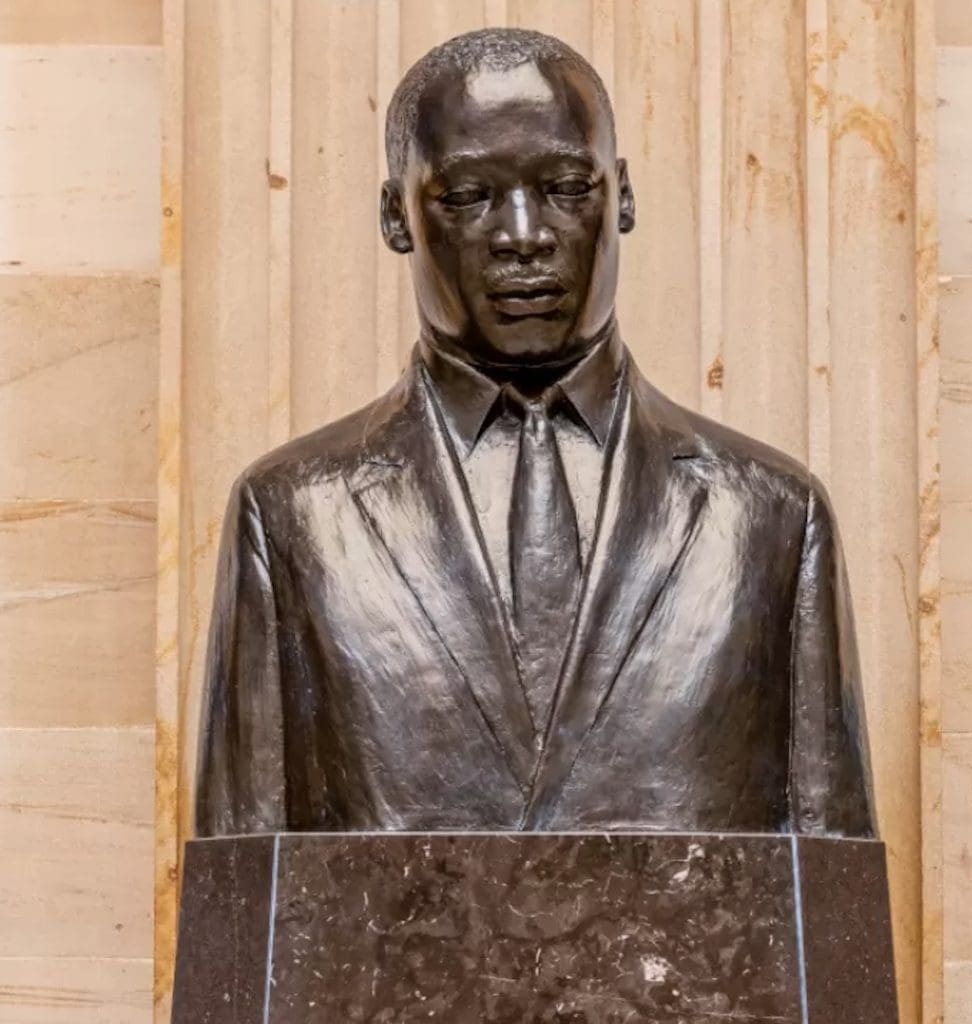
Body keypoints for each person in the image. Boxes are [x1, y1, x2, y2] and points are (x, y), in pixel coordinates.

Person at [195, 28, 875, 839]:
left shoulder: (770, 516)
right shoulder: (293, 516)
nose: (523, 234)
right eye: (469, 195)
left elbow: (833, 902)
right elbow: (238, 902)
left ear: (621, 196)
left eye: (563, 186)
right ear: (395, 214)